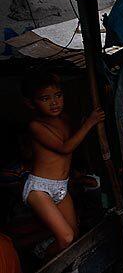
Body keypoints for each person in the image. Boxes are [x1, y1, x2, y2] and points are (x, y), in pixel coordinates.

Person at [21, 72, 104, 256]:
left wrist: (86, 121)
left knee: (73, 237)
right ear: (30, 103)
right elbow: (65, 147)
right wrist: (89, 123)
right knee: (65, 238)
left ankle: (49, 252)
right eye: (45, 98)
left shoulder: (65, 119)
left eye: (58, 96)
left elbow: (76, 136)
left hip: (61, 187)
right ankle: (41, 257)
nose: (54, 102)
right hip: (40, 189)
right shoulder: (35, 126)